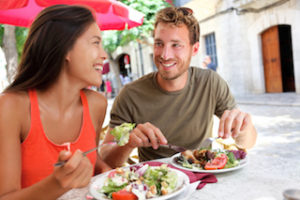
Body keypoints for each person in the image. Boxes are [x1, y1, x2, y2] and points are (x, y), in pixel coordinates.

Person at [100, 7, 257, 168]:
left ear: (194, 49)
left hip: (202, 177)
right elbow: (105, 159)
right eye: (159, 44)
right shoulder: (130, 94)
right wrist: (128, 143)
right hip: (154, 186)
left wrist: (244, 129)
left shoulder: (210, 83)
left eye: (176, 45)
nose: (165, 55)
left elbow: (248, 143)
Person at [0, 5, 112, 199]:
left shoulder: (97, 105)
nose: (104, 55)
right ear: (64, 49)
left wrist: (108, 173)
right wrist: (56, 184)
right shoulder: (12, 108)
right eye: (96, 43)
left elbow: (93, 161)